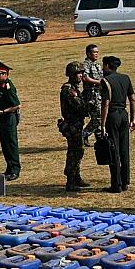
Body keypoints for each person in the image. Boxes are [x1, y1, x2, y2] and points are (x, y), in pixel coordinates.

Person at [101, 55, 135, 193]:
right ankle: (125, 181)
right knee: (124, 149)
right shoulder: (125, 78)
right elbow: (132, 99)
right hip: (124, 115)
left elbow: (105, 104)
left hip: (112, 116)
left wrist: (102, 124)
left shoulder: (106, 81)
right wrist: (133, 118)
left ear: (107, 66)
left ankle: (116, 184)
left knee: (113, 150)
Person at [59, 63, 88, 193]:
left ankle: (76, 176)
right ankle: (70, 181)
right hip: (72, 125)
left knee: (78, 151)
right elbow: (80, 107)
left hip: (77, 124)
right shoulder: (69, 90)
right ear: (71, 75)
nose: (80, 76)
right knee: (74, 153)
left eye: (81, 73)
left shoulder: (74, 88)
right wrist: (90, 104)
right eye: (78, 73)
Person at [0, 61, 21, 180]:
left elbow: (17, 105)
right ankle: (9, 167)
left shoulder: (9, 87)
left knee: (11, 144)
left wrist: (2, 112)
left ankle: (15, 169)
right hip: (1, 118)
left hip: (9, 118)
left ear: (5, 74)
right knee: (4, 145)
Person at [79, 43, 105, 144]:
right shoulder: (85, 65)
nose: (96, 54)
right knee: (98, 117)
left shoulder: (98, 65)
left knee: (98, 117)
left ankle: (100, 139)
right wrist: (99, 82)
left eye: (97, 52)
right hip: (91, 95)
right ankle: (84, 134)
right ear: (88, 53)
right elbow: (85, 78)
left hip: (99, 94)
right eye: (94, 52)